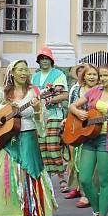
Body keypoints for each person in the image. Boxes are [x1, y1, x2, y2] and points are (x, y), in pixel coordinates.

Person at [0, 60, 56, 216]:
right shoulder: (2, 92)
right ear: (12, 73)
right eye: (20, 69)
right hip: (6, 142)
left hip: (27, 138)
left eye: (25, 70)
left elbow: (43, 119)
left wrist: (36, 110)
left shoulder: (35, 92)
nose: (23, 73)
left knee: (31, 175)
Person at [68, 64, 108, 216]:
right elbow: (72, 106)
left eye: (105, 75)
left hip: (107, 140)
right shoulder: (93, 91)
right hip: (89, 136)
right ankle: (96, 211)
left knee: (103, 180)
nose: (102, 78)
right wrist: (79, 114)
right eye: (101, 75)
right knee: (85, 179)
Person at [31, 47, 69, 188]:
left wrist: (52, 100)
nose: (44, 61)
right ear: (39, 61)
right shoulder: (34, 76)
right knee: (42, 147)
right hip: (39, 116)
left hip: (54, 115)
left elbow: (65, 95)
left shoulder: (58, 74)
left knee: (53, 145)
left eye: (46, 59)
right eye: (42, 59)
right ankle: (47, 179)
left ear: (51, 61)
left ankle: (61, 177)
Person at [65, 64, 99, 208]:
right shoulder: (77, 89)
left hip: (96, 128)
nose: (91, 77)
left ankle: (91, 193)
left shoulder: (101, 91)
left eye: (94, 74)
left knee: (95, 164)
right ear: (83, 76)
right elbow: (71, 106)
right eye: (89, 74)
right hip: (79, 128)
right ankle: (78, 187)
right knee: (78, 161)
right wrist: (77, 113)